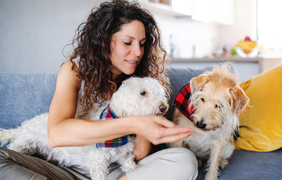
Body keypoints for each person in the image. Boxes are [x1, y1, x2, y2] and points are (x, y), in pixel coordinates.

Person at [0, 0, 198, 179]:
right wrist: (134, 124)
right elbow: (56, 135)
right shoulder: (73, 71)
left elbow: (138, 154)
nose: (137, 52)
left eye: (142, 44)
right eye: (127, 42)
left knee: (184, 160)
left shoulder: (142, 85)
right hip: (61, 169)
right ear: (103, 41)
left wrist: (145, 121)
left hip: (115, 172)